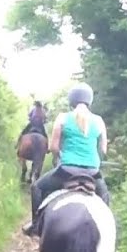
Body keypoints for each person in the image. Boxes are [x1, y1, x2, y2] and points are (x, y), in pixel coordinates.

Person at [23, 83, 110, 236]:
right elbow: (103, 150)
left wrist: (59, 157)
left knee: (37, 187)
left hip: (67, 170)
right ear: (89, 100)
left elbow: (54, 147)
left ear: (71, 100)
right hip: (92, 172)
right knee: (105, 196)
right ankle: (108, 231)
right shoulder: (99, 121)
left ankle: (35, 224)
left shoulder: (63, 118)